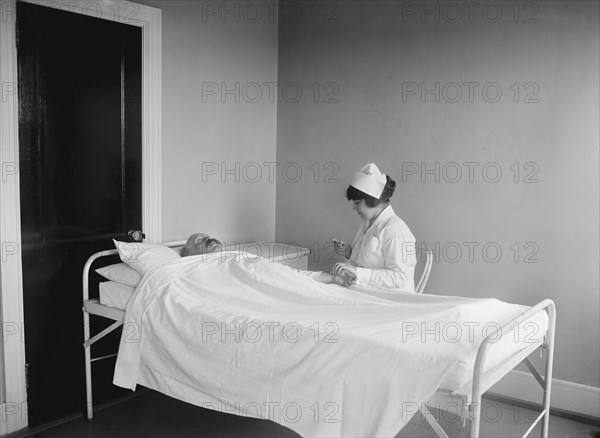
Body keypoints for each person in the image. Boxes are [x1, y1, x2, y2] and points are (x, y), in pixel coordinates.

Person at [329, 163, 417, 292]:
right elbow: (372, 260)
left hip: (392, 301)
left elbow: (400, 277)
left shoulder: (395, 230)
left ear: (372, 200)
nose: (354, 208)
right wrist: (349, 253)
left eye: (357, 203)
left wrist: (357, 271)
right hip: (367, 292)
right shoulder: (368, 224)